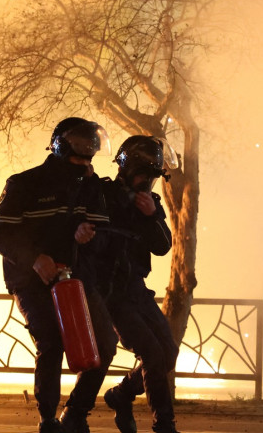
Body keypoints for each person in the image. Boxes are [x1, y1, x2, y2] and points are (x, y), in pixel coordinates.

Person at [0, 117, 119, 433]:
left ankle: (76, 412)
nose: (85, 158)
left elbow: (104, 237)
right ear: (61, 146)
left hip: (76, 278)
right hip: (30, 280)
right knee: (50, 341)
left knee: (105, 343)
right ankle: (48, 419)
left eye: (90, 149)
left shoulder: (92, 188)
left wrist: (89, 236)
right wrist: (35, 259)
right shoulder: (24, 184)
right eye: (79, 148)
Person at [98, 135, 180, 433]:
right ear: (128, 168)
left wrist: (150, 216)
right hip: (110, 293)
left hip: (136, 289)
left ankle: (121, 394)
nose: (147, 183)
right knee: (152, 354)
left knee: (168, 353)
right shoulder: (102, 196)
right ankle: (164, 425)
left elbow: (163, 246)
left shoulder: (150, 205)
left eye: (152, 178)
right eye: (144, 175)